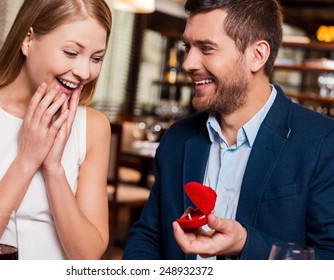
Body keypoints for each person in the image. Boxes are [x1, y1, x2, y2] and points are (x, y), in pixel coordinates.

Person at [123, 0, 334, 260]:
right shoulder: (178, 138)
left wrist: (247, 244)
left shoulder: (323, 142)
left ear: (257, 55)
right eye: (187, 47)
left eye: (206, 48)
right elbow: (149, 235)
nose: (188, 63)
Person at [0, 0, 112, 260]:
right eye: (70, 52)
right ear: (28, 40)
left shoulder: (94, 127)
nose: (83, 71)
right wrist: (26, 160)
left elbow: (88, 257)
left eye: (96, 58)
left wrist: (54, 168)